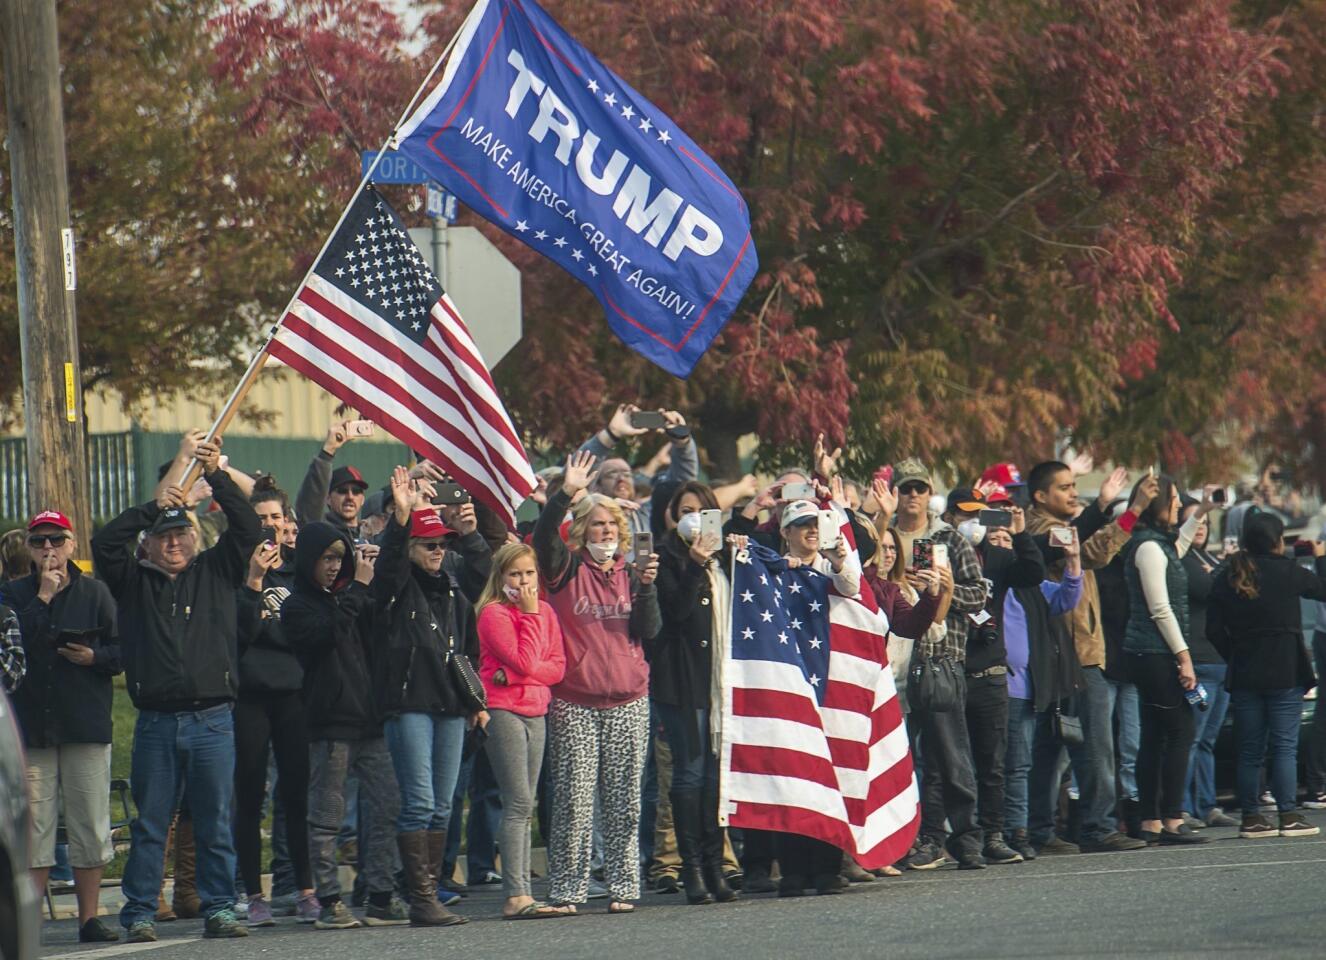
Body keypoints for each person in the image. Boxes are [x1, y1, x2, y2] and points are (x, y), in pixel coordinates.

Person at [91, 437, 261, 942]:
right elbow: (104, 544)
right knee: (151, 825)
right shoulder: (132, 580)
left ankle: (220, 909)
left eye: (181, 535)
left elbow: (249, 528)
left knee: (213, 822)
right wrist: (153, 506)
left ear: (195, 538)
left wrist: (219, 476)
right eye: (163, 537)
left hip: (213, 719)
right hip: (157, 722)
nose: (173, 544)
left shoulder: (218, 571)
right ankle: (140, 911)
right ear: (148, 543)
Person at [533, 450, 661, 914]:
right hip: (575, 699)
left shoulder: (632, 572)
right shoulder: (564, 568)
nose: (605, 531)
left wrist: (646, 588)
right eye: (596, 524)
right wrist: (565, 493)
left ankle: (625, 885)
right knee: (572, 799)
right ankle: (569, 887)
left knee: (625, 800)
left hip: (630, 698)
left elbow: (649, 632)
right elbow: (544, 535)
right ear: (582, 529)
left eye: (611, 525)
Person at [373, 467, 490, 927]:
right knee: (420, 802)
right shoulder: (397, 588)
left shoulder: (455, 592)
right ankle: (420, 897)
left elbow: (469, 648)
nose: (439, 552)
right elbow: (385, 574)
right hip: (409, 707)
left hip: (450, 708)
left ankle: (430, 890)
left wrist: (475, 703)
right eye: (429, 545)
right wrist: (402, 520)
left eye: (443, 544)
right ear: (411, 549)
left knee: (443, 804)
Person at [2, 511, 120, 942]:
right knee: (34, 829)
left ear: (72, 545)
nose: (48, 549)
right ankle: (31, 923)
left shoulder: (97, 593)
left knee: (90, 823)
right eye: (39, 542)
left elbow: (122, 650)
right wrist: (45, 599)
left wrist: (95, 658)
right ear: (29, 550)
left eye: (57, 540)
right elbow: (15, 646)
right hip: (32, 727)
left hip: (83, 722)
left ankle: (89, 918)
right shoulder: (13, 593)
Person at [1023, 460, 1152, 855]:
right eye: (1064, 487)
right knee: (1095, 745)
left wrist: (1130, 513)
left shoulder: (1063, 527)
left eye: (1074, 484)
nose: (1073, 492)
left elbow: (1094, 552)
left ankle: (1042, 830)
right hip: (1072, 655)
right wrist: (1115, 506)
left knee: (1054, 746)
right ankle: (1096, 826)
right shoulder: (1037, 529)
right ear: (1040, 496)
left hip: (1076, 652)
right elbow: (1078, 544)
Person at [281, 521, 404, 929]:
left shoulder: (353, 595)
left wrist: (399, 527)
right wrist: (357, 589)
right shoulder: (297, 605)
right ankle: (330, 899)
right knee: (327, 815)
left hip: (368, 721)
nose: (334, 567)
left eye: (339, 558)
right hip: (329, 724)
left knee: (388, 805)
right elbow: (327, 635)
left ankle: (381, 896)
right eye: (326, 559)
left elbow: (384, 589)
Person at [887, 459, 989, 870]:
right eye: (906, 488)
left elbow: (980, 594)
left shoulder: (948, 538)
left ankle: (966, 838)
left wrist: (945, 590)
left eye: (920, 489)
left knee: (950, 754)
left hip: (940, 658)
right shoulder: (886, 538)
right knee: (904, 759)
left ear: (931, 494)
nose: (913, 496)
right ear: (895, 493)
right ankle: (920, 839)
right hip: (893, 661)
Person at [231, 481, 320, 927]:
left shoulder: (298, 573)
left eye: (275, 518)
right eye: (261, 518)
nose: (269, 526)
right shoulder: (235, 571)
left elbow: (303, 633)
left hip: (293, 695)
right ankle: (253, 893)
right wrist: (252, 583)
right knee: (249, 796)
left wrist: (274, 627)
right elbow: (239, 633)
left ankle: (305, 889)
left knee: (297, 794)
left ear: (287, 523)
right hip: (249, 696)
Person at [1207, 512, 1326, 838]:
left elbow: (1213, 628)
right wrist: (1321, 556)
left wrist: (1233, 654)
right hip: (1285, 668)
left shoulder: (1230, 574)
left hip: (1246, 669)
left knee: (1250, 748)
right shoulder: (1289, 571)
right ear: (1278, 540)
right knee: (1284, 746)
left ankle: (1252, 817)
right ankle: (1288, 815)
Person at [650, 482, 740, 905]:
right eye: (684, 510)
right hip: (683, 683)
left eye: (701, 510)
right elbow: (676, 613)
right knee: (691, 770)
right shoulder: (667, 557)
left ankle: (716, 863)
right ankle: (693, 870)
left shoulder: (727, 558)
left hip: (722, 681)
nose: (692, 517)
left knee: (717, 776)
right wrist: (692, 564)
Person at [773, 498, 861, 893]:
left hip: (829, 682)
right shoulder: (767, 571)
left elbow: (852, 586)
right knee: (791, 779)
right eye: (802, 524)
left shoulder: (829, 565)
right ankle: (793, 869)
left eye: (816, 523)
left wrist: (838, 557)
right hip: (785, 684)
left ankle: (828, 867)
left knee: (828, 776)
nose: (811, 530)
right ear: (785, 532)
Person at [476, 543, 569, 918]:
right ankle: (516, 895)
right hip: (503, 712)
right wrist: (529, 616)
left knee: (526, 803)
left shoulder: (546, 611)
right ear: (501, 578)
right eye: (515, 574)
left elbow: (557, 667)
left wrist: (514, 674)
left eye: (529, 573)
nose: (524, 581)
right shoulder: (493, 614)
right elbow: (528, 658)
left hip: (536, 709)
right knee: (515, 801)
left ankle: (525, 892)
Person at [1121, 478, 1212, 845]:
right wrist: (1184, 657)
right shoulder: (1147, 549)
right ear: (1156, 504)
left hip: (1150, 652)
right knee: (1180, 731)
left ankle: (1152, 820)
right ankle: (1172, 818)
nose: (1177, 507)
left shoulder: (1158, 546)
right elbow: (1160, 609)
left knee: (1156, 734)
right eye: (1173, 501)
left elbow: (1181, 543)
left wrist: (1202, 511)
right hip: (1154, 652)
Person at [993, 518, 1084, 862]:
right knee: (996, 765)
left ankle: (1017, 830)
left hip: (1024, 689)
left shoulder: (1032, 585)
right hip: (990, 685)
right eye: (995, 538)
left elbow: (1067, 598)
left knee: (1019, 764)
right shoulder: (987, 582)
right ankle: (995, 829)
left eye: (1007, 538)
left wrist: (1073, 559)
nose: (1002, 543)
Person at [962, 496, 1047, 865]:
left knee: (993, 763)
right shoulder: (932, 549)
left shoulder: (995, 558)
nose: (972, 522)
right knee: (947, 765)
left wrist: (1021, 531)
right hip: (948, 667)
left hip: (991, 672)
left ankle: (994, 835)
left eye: (977, 515)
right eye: (964, 515)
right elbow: (920, 584)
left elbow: (1032, 572)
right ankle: (951, 837)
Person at [1178, 499, 1236, 828]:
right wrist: (1221, 573)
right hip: (1196, 659)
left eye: (1203, 522)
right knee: (1191, 737)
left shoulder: (1211, 558)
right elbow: (1207, 589)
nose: (1200, 526)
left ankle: (1207, 804)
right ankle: (1182, 806)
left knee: (1209, 739)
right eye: (1192, 521)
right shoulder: (1181, 559)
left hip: (1220, 660)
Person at [577, 404, 698, 536]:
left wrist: (681, 440)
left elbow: (680, 485)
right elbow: (578, 475)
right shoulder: (586, 515)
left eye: (627, 474)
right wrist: (611, 434)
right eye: (612, 474)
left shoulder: (648, 513)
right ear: (597, 486)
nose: (621, 478)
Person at [295, 421, 373, 536]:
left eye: (356, 491)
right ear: (328, 499)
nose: (350, 497)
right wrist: (328, 450)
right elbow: (310, 504)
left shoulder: (370, 536)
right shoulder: (321, 533)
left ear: (362, 499)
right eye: (342, 491)